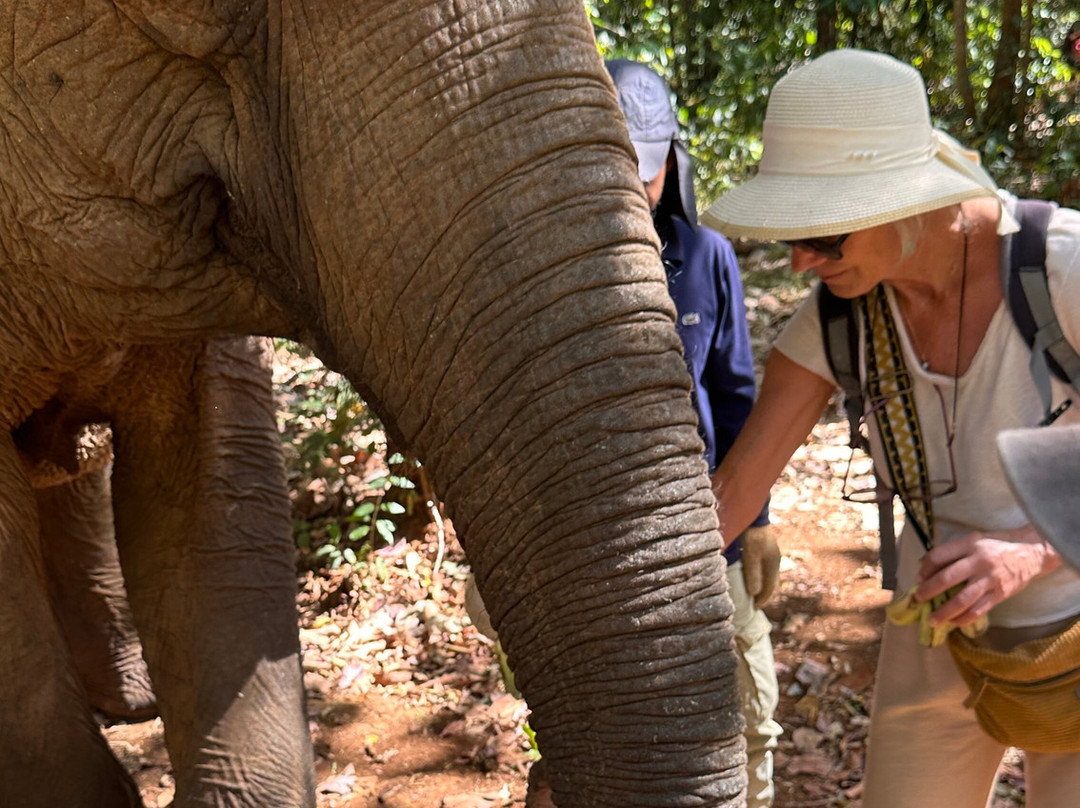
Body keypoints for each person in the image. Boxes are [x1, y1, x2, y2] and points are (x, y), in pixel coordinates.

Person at [703, 49, 1080, 807]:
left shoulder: (1060, 269)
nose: (802, 261)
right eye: (789, 238)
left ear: (901, 200)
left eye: (823, 237)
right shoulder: (842, 316)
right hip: (940, 628)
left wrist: (1030, 551)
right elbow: (734, 490)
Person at [605, 58, 782, 808]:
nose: (638, 186)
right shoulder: (551, 266)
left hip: (713, 527)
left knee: (754, 723)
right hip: (608, 547)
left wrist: (761, 518)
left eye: (648, 167)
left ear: (672, 158)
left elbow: (736, 393)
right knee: (602, 737)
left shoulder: (706, 256)